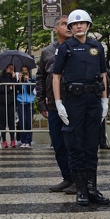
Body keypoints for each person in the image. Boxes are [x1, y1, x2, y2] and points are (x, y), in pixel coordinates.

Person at [51, 9, 110, 208]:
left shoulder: (97, 47)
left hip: (93, 99)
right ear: (70, 27)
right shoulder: (65, 47)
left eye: (83, 23)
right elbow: (56, 76)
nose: (79, 26)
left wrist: (105, 100)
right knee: (75, 145)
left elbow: (103, 74)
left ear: (88, 25)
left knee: (91, 146)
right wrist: (59, 103)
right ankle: (81, 189)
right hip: (74, 101)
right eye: (75, 24)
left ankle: (92, 188)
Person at [36, 15, 75, 192]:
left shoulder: (79, 48)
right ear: (55, 29)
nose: (68, 27)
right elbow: (41, 77)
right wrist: (41, 102)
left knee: (74, 143)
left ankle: (78, 179)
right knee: (58, 144)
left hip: (74, 103)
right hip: (53, 104)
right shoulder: (47, 52)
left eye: (70, 24)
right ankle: (67, 177)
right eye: (64, 24)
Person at [0, 64, 18, 148]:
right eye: (9, 68)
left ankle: (12, 140)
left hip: (11, 103)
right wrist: (9, 88)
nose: (10, 69)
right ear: (5, 68)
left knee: (12, 122)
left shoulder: (13, 78)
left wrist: (14, 79)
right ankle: (3, 140)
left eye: (12, 68)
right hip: (2, 102)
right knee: (2, 122)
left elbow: (16, 88)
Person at [15, 66, 36, 148]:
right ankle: (23, 140)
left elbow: (31, 90)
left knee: (29, 122)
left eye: (25, 71)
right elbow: (20, 90)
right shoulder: (19, 80)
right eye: (22, 71)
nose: (24, 72)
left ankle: (28, 141)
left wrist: (28, 81)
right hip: (21, 102)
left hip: (30, 102)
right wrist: (20, 81)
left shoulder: (32, 80)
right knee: (22, 121)